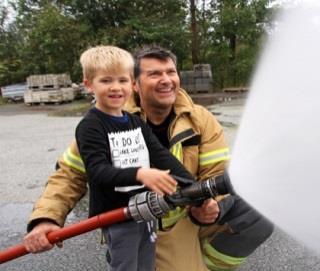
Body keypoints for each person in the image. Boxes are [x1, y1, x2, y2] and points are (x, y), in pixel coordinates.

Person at [24, 45, 274, 271]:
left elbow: (215, 171)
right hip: (143, 220)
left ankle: (204, 264)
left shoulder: (199, 118)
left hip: (188, 215)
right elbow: (69, 176)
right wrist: (45, 219)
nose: (166, 80)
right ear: (136, 83)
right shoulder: (105, 122)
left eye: (170, 72)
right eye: (154, 74)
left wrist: (211, 204)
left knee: (261, 213)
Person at [76, 45, 197, 270]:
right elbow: (97, 171)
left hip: (144, 212)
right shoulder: (91, 126)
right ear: (88, 84)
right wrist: (140, 174)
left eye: (122, 80)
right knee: (126, 266)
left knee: (146, 265)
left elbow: (161, 156)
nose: (116, 88)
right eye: (106, 81)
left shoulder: (134, 122)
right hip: (117, 217)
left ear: (132, 84)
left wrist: (193, 186)